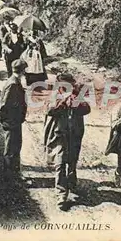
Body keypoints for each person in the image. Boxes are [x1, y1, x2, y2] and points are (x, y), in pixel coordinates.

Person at [44, 73, 91, 210]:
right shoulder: (55, 95)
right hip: (60, 135)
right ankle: (61, 194)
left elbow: (86, 109)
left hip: (75, 134)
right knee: (60, 163)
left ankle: (72, 182)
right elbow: (49, 109)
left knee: (72, 160)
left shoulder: (76, 95)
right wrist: (63, 102)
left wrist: (75, 102)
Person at [0, 59, 28, 177]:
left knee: (15, 146)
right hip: (11, 121)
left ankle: (14, 173)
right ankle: (9, 175)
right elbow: (5, 104)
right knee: (11, 148)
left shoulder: (13, 81)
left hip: (14, 120)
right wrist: (2, 119)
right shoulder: (13, 84)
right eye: (24, 69)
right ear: (22, 71)